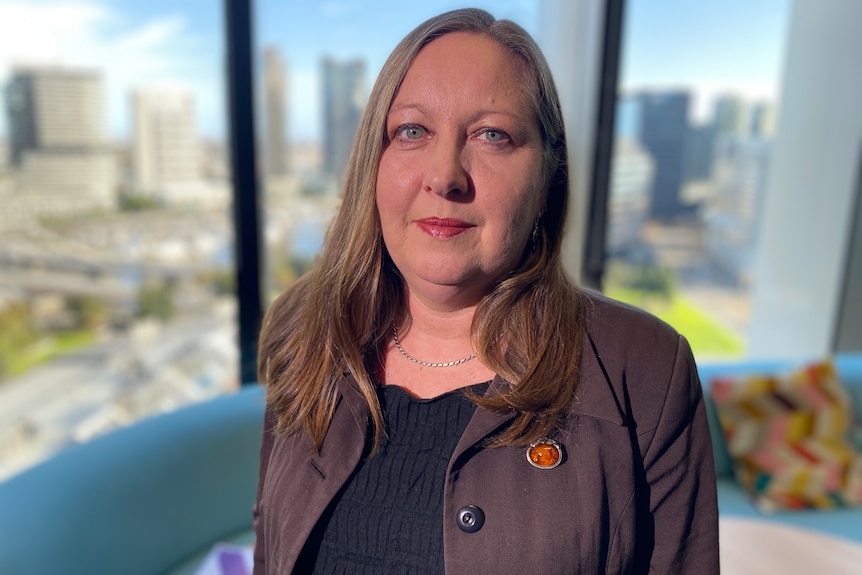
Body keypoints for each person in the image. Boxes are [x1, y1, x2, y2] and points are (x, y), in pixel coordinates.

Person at [253, 8, 719, 574]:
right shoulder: (305, 326)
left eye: (492, 135)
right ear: (372, 163)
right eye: (412, 131)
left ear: (549, 175)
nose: (444, 174)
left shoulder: (643, 369)